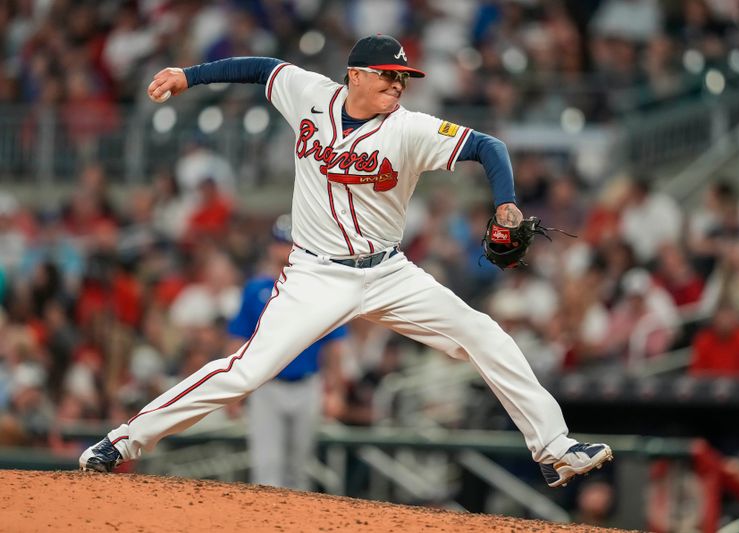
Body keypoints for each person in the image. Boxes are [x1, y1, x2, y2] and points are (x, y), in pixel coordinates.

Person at [79, 34, 612, 488]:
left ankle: (554, 449)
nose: (398, 85)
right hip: (317, 274)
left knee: (483, 333)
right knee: (247, 371)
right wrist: (187, 76)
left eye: (403, 77)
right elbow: (259, 68)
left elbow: (489, 147)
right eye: (387, 75)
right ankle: (123, 440)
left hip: (389, 272)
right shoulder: (309, 94)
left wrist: (506, 203)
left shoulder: (411, 129)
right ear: (355, 75)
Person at [228, 215, 348, 489]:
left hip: (308, 384)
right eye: (281, 244)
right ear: (271, 247)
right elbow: (237, 341)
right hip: (266, 386)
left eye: (291, 244)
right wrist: (234, 391)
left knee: (300, 471)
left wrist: (336, 391)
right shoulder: (256, 288)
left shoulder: (320, 288)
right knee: (266, 468)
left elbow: (334, 345)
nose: (285, 251)